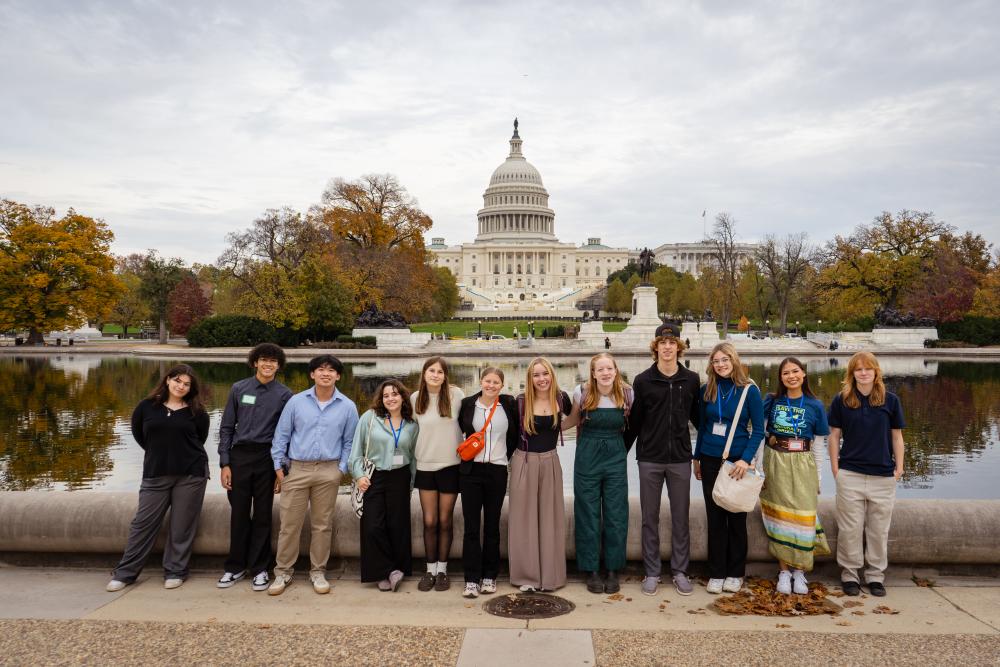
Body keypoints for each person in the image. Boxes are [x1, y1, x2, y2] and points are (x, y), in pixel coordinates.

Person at [106, 364, 210, 592]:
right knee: (142, 524)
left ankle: (175, 571)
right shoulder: (146, 407)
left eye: (186, 384)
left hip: (191, 473)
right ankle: (126, 573)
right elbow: (140, 436)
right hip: (155, 473)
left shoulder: (197, 412)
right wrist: (160, 454)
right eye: (177, 381)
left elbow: (198, 440)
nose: (181, 386)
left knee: (182, 527)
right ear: (167, 380)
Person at [268, 355, 358, 595]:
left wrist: (340, 470)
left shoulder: (348, 406)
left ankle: (318, 571)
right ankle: (283, 572)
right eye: (320, 369)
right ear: (312, 374)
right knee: (289, 524)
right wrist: (279, 469)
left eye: (331, 370)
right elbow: (281, 436)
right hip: (297, 469)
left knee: (322, 525)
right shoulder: (296, 402)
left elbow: (350, 442)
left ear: (338, 376)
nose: (325, 373)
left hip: (328, 470)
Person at [629, 322, 701, 597]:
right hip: (650, 457)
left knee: (681, 517)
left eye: (672, 343)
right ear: (656, 347)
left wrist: (703, 454)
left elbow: (700, 421)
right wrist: (619, 454)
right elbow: (634, 423)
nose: (668, 347)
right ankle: (652, 571)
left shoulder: (691, 380)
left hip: (681, 457)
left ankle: (680, 571)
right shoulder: (643, 380)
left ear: (679, 347)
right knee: (650, 517)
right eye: (663, 343)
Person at [217, 343, 293, 593]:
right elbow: (227, 428)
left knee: (263, 515)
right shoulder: (239, 389)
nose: (268, 364)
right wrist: (225, 463)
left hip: (266, 458)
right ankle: (235, 566)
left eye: (273, 361)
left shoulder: (285, 395)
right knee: (238, 513)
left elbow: (287, 435)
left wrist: (281, 469)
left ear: (278, 365)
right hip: (239, 458)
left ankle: (260, 569)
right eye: (264, 360)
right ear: (255, 362)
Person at [828, 351, 905, 597]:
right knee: (849, 529)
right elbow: (834, 436)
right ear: (852, 374)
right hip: (850, 473)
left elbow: (897, 436)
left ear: (875, 372)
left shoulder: (890, 401)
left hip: (883, 475)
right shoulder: (841, 400)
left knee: (878, 530)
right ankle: (850, 574)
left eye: (868, 369)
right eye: (858, 369)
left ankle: (875, 576)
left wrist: (899, 468)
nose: (863, 373)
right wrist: (835, 467)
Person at [694, 342, 764, 595]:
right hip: (710, 459)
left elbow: (758, 430)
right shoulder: (707, 390)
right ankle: (717, 572)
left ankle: (735, 572)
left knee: (736, 518)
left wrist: (746, 459)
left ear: (734, 360)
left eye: (725, 360)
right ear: (711, 365)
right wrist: (697, 458)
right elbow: (702, 426)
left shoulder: (749, 390)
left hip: (737, 462)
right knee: (715, 519)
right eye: (716, 361)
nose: (721, 365)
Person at [562, 353, 633, 594]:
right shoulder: (581, 393)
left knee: (616, 513)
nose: (605, 373)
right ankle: (590, 569)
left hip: (615, 455)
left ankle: (613, 569)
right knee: (587, 512)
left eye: (609, 368)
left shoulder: (627, 393)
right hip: (587, 456)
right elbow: (571, 421)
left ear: (616, 370)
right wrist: (539, 426)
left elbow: (634, 425)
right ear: (592, 373)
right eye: (600, 369)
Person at [759, 357, 830, 595]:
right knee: (779, 516)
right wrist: (759, 468)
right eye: (786, 373)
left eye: (795, 371)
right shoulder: (772, 402)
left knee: (803, 517)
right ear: (780, 377)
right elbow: (760, 435)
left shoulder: (815, 405)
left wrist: (818, 478)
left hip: (803, 462)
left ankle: (800, 571)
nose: (791, 376)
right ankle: (784, 571)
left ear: (804, 374)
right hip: (776, 460)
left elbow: (819, 446)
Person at [509, 357, 572, 592]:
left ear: (552, 375)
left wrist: (556, 427)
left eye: (545, 373)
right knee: (523, 520)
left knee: (550, 519)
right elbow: (508, 435)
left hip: (550, 461)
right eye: (536, 375)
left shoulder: (561, 398)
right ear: (530, 378)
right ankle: (527, 577)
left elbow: (576, 417)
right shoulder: (520, 402)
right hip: (524, 461)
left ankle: (551, 576)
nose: (541, 379)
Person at [456, 367, 520, 598]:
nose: (491, 385)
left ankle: (489, 577)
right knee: (471, 527)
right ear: (480, 381)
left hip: (497, 471)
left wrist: (503, 457)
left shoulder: (509, 406)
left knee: (492, 526)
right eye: (487, 381)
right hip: (471, 472)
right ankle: (471, 579)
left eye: (496, 382)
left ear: (502, 386)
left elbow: (513, 437)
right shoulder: (467, 404)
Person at [350, 379, 418, 592]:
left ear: (403, 397)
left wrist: (411, 484)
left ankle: (392, 571)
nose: (391, 398)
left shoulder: (412, 424)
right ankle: (387, 570)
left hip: (400, 477)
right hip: (373, 476)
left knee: (397, 526)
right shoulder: (370, 418)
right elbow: (355, 451)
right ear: (381, 399)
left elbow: (413, 457)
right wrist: (359, 475)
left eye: (395, 394)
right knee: (373, 526)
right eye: (386, 395)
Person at [411, 356, 465, 592]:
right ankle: (429, 569)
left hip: (451, 466)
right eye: (431, 371)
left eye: (440, 372)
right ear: (424, 374)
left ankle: (442, 570)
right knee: (429, 521)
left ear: (445, 376)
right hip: (425, 466)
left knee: (445, 520)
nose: (435, 375)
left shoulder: (457, 396)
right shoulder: (415, 399)